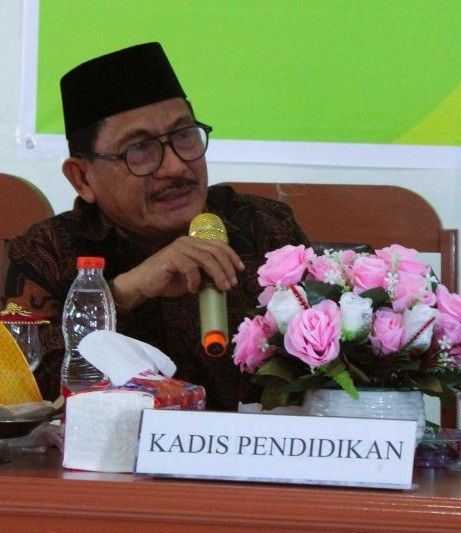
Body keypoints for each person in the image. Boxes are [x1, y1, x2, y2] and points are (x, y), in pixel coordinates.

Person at [2, 42, 308, 410]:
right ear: (82, 177)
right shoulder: (47, 251)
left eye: (184, 135)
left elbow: (335, 365)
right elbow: (24, 387)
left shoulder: (264, 228)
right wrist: (126, 292)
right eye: (140, 150)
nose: (176, 167)